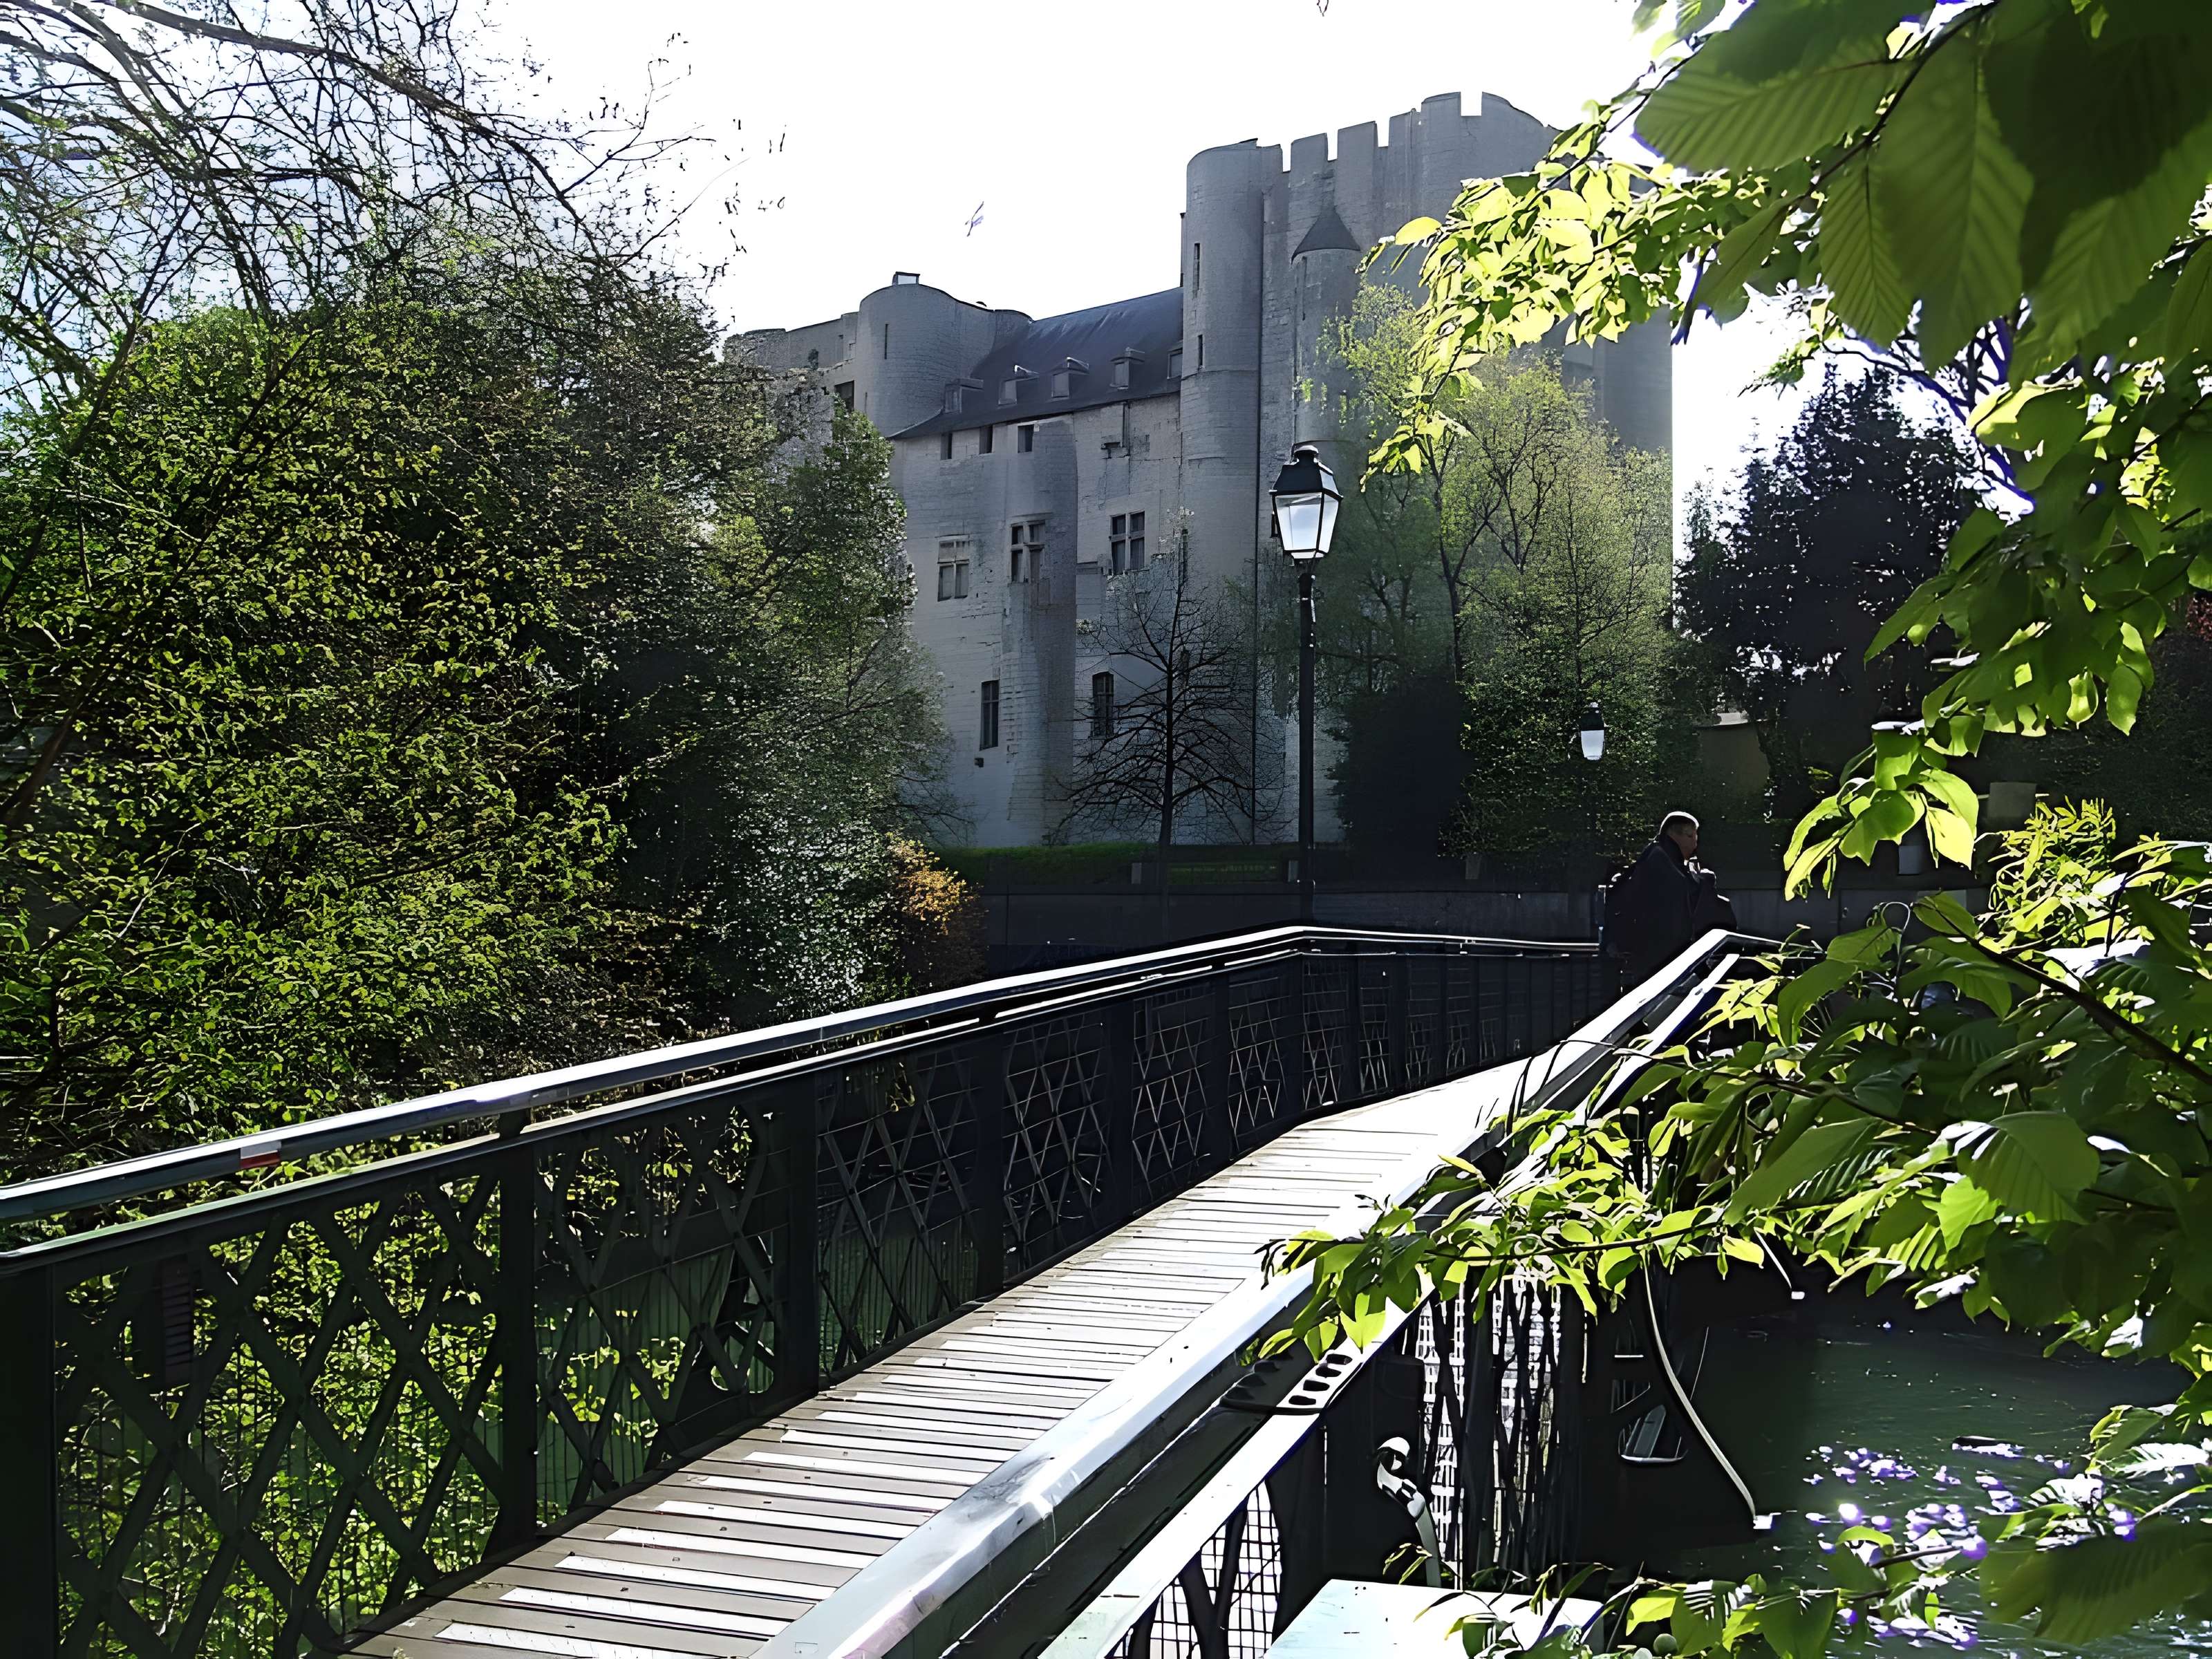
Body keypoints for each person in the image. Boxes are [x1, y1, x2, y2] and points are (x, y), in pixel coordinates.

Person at [1604, 811, 1713, 986]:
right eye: (1690, 836)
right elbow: (1672, 914)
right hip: (1660, 958)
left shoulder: (1656, 857)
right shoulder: (1663, 864)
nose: (1695, 842)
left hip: (1653, 955)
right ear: (1672, 834)